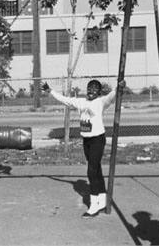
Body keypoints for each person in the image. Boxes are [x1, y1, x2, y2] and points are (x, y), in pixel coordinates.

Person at [42, 79, 125, 218]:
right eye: (89, 88)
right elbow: (65, 100)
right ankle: (102, 197)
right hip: (86, 139)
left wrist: (119, 87)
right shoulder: (81, 102)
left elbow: (113, 95)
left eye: (94, 89)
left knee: (91, 171)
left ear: (99, 92)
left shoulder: (101, 102)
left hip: (98, 139)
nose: (91, 91)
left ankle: (94, 205)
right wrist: (50, 91)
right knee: (96, 168)